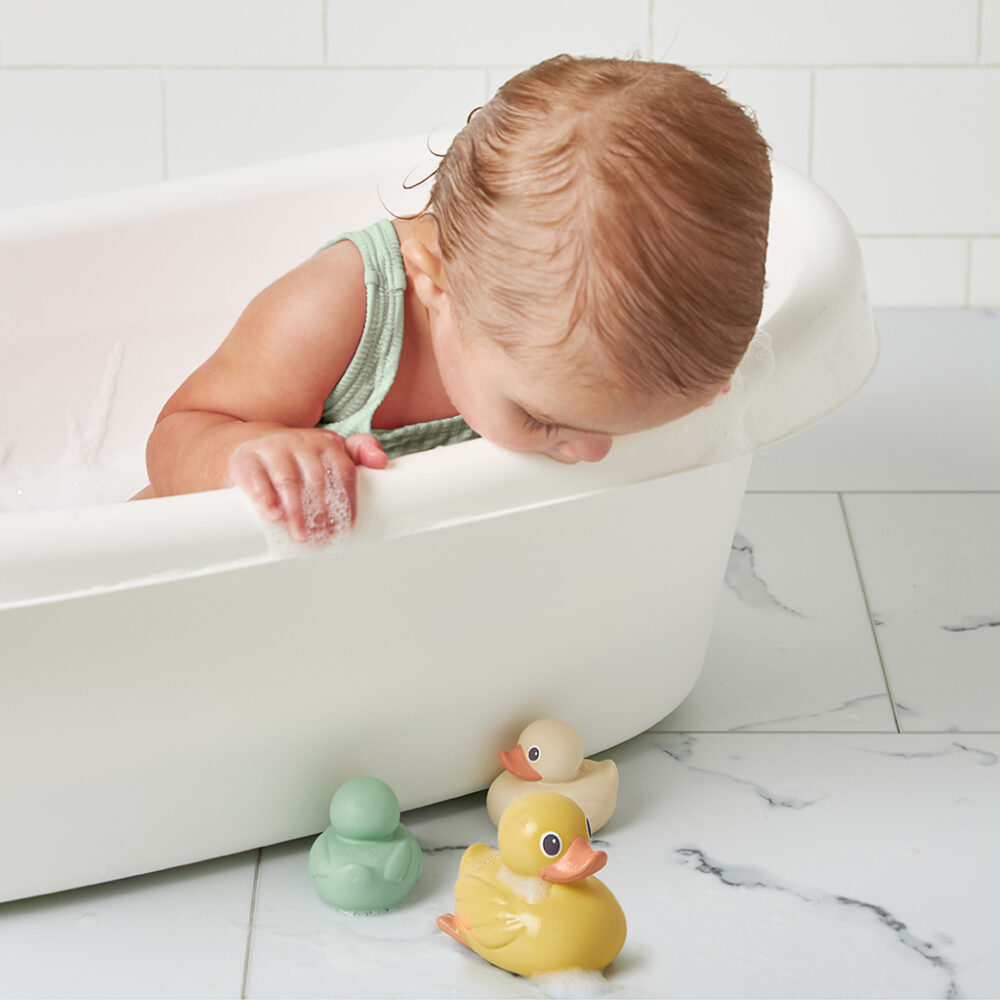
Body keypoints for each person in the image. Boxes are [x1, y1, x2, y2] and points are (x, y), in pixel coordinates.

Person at [138, 54, 772, 543]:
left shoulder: (639, 339)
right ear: (433, 282)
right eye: (541, 419)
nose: (592, 453)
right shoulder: (334, 310)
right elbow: (177, 438)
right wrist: (248, 456)